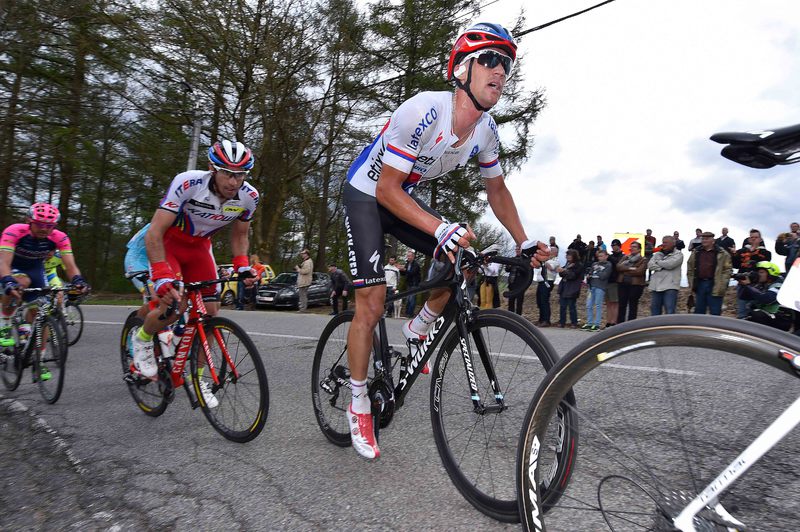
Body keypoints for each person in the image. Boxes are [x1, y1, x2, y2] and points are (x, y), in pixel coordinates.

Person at [339, 22, 548, 460]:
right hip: (369, 193)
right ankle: (358, 401)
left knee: (465, 251)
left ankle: (419, 326)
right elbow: (386, 190)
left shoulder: (486, 130)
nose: (500, 71)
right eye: (489, 60)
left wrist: (523, 241)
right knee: (372, 303)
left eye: (505, 64)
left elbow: (497, 190)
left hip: (398, 196)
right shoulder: (423, 110)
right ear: (463, 69)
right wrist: (437, 228)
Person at [130, 139, 259, 410]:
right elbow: (155, 232)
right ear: (213, 168)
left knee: (211, 313)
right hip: (171, 244)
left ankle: (199, 379)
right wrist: (162, 274)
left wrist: (242, 264)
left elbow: (240, 235)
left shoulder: (249, 196)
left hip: (200, 249)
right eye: (227, 173)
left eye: (240, 174)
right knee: (173, 306)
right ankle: (142, 339)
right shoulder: (188, 183)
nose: (234, 181)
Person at [0, 203, 89, 354]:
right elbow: (4, 261)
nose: (44, 229)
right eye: (40, 224)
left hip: (36, 269)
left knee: (43, 311)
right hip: (12, 266)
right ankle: (5, 323)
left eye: (49, 226)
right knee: (21, 282)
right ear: (29, 221)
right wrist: (8, 280)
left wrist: (78, 281)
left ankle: (39, 357)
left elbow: (70, 266)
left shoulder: (60, 237)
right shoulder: (14, 231)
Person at [687, 231, 732, 316]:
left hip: (715, 285)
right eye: (703, 239)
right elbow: (690, 267)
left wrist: (722, 284)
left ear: (713, 240)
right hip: (700, 284)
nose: (704, 241)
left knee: (715, 312)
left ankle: (714, 329)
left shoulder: (722, 253)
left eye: (707, 239)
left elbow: (727, 270)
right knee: (699, 312)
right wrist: (691, 282)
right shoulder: (696, 252)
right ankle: (699, 329)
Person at [738, 261, 793, 331]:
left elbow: (766, 299)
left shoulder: (779, 285)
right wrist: (743, 285)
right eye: (758, 272)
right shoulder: (762, 285)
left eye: (761, 272)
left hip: (782, 320)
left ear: (770, 273)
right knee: (751, 314)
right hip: (770, 317)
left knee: (757, 314)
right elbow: (743, 297)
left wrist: (748, 285)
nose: (758, 275)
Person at [733, 229, 771, 318]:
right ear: (749, 239)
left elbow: (763, 264)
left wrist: (753, 252)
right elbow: (735, 265)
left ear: (760, 239)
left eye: (756, 237)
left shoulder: (766, 253)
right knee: (742, 311)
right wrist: (734, 255)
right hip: (743, 284)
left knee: (755, 310)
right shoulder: (741, 251)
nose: (753, 239)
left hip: (757, 285)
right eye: (751, 237)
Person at [647, 235, 683, 315]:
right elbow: (650, 265)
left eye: (666, 243)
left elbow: (670, 264)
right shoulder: (657, 254)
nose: (663, 244)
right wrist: (662, 266)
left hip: (670, 287)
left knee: (670, 311)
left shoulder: (679, 254)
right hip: (656, 287)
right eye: (663, 242)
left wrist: (658, 263)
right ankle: (656, 327)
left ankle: (670, 327)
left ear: (673, 244)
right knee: (655, 311)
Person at [616, 240, 647, 323]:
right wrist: (630, 268)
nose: (632, 248)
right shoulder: (625, 257)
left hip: (635, 285)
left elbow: (639, 271)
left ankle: (631, 325)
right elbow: (618, 267)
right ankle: (620, 325)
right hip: (623, 283)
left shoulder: (643, 259)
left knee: (633, 305)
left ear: (639, 249)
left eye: (634, 247)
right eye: (631, 247)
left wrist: (624, 270)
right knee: (622, 305)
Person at [582, 249, 612, 331]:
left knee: (598, 305)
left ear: (606, 256)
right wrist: (589, 275)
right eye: (599, 256)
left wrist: (596, 272)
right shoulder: (594, 264)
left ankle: (597, 324)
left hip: (600, 287)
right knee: (589, 305)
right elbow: (590, 273)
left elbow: (604, 276)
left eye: (602, 256)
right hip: (591, 287)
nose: (600, 258)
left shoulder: (608, 265)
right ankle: (589, 323)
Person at [557, 250, 582, 328]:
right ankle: (562, 322)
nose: (568, 256)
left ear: (574, 256)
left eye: (569, 255)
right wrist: (562, 271)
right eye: (567, 255)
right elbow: (561, 274)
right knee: (562, 306)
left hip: (572, 288)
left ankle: (574, 323)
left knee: (571, 306)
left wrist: (564, 271)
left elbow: (573, 276)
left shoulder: (578, 265)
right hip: (564, 287)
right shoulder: (568, 264)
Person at [535, 245, 558, 326]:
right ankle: (541, 319)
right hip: (541, 281)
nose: (549, 252)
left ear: (555, 253)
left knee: (544, 301)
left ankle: (546, 320)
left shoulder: (556, 260)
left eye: (551, 251)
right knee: (540, 301)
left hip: (548, 282)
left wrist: (545, 261)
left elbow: (551, 268)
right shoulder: (546, 259)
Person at [604, 239, 623, 328]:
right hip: (607, 281)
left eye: (615, 245)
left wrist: (609, 257)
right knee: (608, 303)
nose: (614, 247)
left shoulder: (623, 256)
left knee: (615, 303)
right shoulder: (610, 256)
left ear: (619, 246)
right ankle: (608, 321)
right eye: (612, 245)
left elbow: (618, 264)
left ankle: (614, 322)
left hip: (615, 282)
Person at [399, 250, 421, 317]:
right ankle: (407, 313)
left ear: (413, 257)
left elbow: (412, 273)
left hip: (414, 284)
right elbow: (404, 274)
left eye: (409, 256)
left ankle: (410, 313)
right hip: (408, 283)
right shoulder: (407, 264)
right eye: (407, 256)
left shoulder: (416, 265)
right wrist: (401, 270)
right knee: (408, 299)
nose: (408, 257)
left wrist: (405, 270)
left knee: (412, 299)